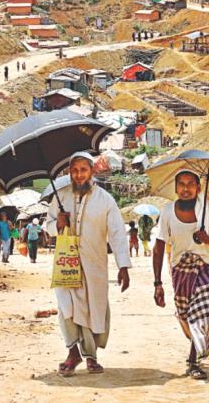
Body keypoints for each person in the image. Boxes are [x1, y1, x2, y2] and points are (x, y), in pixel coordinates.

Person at [45, 152, 130, 377]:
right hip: (66, 263)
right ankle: (73, 352)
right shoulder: (60, 196)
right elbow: (48, 225)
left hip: (95, 265)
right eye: (75, 170)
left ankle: (91, 356)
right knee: (67, 307)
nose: (79, 175)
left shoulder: (105, 200)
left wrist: (123, 266)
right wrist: (58, 224)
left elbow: (118, 234)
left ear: (91, 172)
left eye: (83, 170)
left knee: (94, 309)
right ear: (69, 173)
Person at [152, 170, 209, 380]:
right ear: (176, 188)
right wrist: (157, 283)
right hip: (180, 269)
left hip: (206, 266)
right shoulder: (167, 212)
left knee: (201, 314)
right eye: (181, 184)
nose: (186, 189)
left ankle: (193, 362)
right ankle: (196, 347)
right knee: (185, 314)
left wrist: (207, 239)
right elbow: (159, 248)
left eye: (191, 184)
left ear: (198, 188)